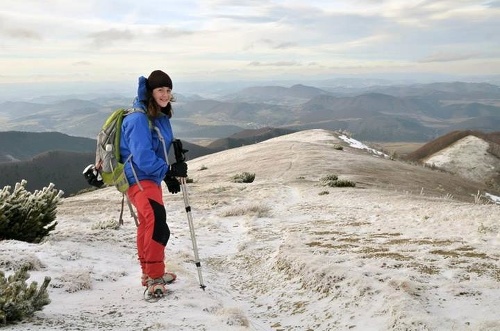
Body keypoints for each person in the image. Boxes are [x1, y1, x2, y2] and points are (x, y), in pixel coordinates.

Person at [122, 69, 188, 297]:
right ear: (151, 92)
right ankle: (154, 277)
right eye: (160, 89)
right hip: (139, 178)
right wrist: (168, 171)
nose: (165, 94)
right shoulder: (139, 118)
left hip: (149, 178)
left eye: (168, 90)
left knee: (147, 224)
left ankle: (148, 272)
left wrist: (170, 167)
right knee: (157, 223)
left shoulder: (157, 116)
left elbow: (158, 149)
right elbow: (143, 156)